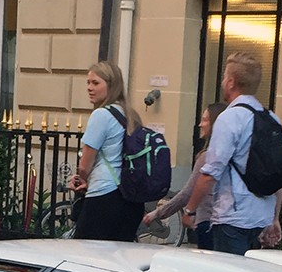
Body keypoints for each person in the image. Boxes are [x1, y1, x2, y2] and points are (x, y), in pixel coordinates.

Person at [178, 52, 282, 255]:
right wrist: (274, 217)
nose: (223, 81)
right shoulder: (271, 119)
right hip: (261, 218)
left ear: (231, 82)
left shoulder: (230, 118)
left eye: (225, 77)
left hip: (232, 217)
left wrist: (190, 210)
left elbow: (210, 173)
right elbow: (278, 175)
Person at [69, 60, 147, 242]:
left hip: (103, 194)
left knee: (84, 252)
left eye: (96, 83)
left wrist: (81, 180)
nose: (89, 88)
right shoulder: (131, 115)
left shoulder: (101, 115)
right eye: (88, 83)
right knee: (118, 258)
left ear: (111, 86)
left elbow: (84, 165)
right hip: (130, 198)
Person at [146, 101, 225, 250]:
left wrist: (158, 213)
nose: (200, 124)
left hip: (207, 222)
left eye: (205, 120)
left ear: (215, 124)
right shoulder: (229, 155)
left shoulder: (207, 157)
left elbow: (188, 192)